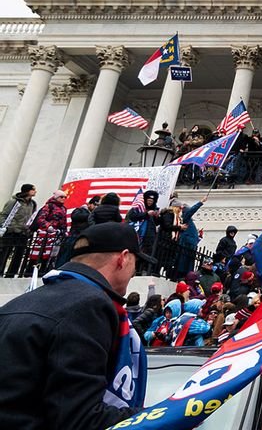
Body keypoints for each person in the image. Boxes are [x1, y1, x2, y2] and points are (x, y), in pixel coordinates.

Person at [0, 221, 153, 429]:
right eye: (136, 263)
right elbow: (80, 418)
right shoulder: (91, 306)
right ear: (123, 258)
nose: (135, 271)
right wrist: (159, 416)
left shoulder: (18, 303)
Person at [0, 183, 38, 277]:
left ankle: (11, 274)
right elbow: (4, 214)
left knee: (19, 254)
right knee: (5, 253)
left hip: (23, 232)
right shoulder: (14, 202)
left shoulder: (33, 204)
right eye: (33, 189)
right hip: (11, 231)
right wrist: (5, 227)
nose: (35, 191)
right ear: (27, 191)